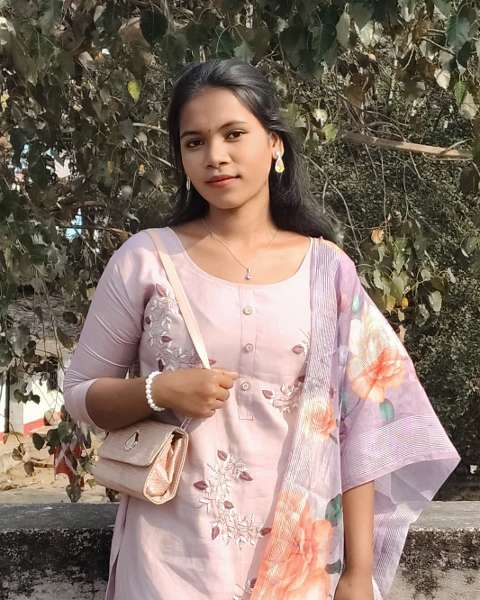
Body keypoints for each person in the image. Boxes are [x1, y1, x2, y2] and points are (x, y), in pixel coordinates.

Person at [63, 58, 460, 600]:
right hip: (169, 560)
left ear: (274, 144)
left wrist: (357, 573)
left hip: (300, 558)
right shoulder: (146, 260)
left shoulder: (327, 271)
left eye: (233, 134)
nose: (215, 156)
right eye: (194, 142)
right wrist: (159, 390)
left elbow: (363, 419)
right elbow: (81, 394)